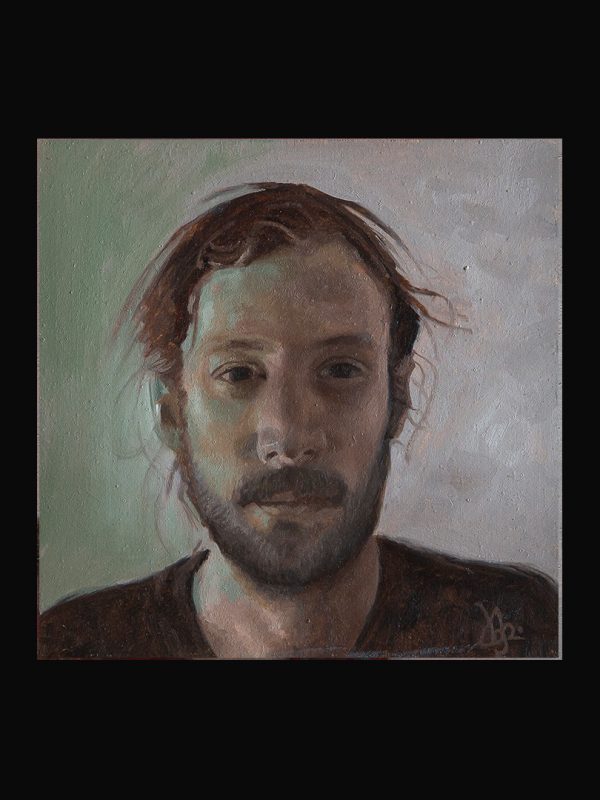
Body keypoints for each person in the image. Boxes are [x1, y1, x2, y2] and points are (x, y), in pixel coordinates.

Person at [38, 182, 559, 659]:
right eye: (238, 373)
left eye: (340, 370)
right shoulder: (71, 647)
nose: (288, 439)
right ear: (173, 413)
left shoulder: (520, 628)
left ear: (397, 400)